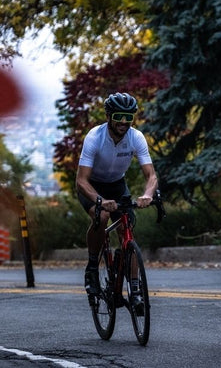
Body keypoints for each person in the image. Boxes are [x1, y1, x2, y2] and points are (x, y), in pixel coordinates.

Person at [76, 92, 158, 306]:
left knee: (127, 229)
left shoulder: (136, 137)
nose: (123, 121)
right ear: (109, 116)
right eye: (119, 116)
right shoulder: (95, 137)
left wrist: (147, 194)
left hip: (117, 185)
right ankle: (92, 266)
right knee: (101, 216)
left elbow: (151, 175)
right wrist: (100, 200)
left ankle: (134, 287)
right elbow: (81, 181)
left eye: (128, 117)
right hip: (92, 185)